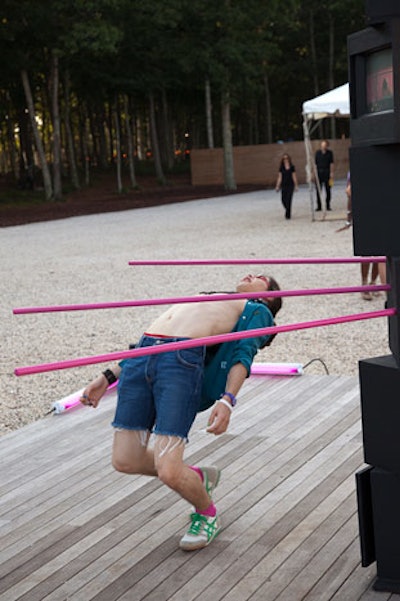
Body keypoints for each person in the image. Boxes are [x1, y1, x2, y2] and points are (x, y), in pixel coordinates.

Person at [80, 274, 282, 551]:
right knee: (125, 459)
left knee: (169, 470)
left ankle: (207, 513)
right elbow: (144, 342)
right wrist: (107, 376)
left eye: (261, 278)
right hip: (142, 358)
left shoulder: (256, 309)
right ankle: (198, 478)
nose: (251, 274)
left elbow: (243, 354)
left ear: (269, 296)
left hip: (178, 363)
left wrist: (228, 399)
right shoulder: (211, 295)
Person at [340, 173, 383, 300]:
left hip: (380, 213)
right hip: (365, 213)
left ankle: (373, 282)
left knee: (380, 252)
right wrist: (349, 217)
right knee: (366, 252)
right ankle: (365, 283)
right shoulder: (356, 169)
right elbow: (349, 192)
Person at [275, 153, 299, 219]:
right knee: (283, 199)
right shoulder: (281, 168)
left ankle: (288, 215)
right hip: (284, 185)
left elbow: (294, 176)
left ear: (289, 159)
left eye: (286, 158)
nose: (285, 160)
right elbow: (280, 177)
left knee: (289, 199)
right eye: (284, 159)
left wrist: (296, 185)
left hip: (290, 185)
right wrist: (277, 186)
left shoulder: (292, 167)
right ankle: (287, 209)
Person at [315, 140, 334, 211]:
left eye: (325, 145)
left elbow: (331, 163)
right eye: (322, 145)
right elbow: (315, 164)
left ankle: (328, 205)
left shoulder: (330, 153)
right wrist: (314, 173)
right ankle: (319, 206)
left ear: (327, 146)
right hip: (319, 172)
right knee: (318, 190)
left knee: (328, 189)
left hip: (327, 172)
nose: (323, 147)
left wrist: (331, 173)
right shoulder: (318, 153)